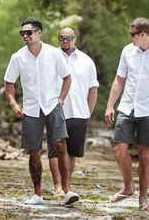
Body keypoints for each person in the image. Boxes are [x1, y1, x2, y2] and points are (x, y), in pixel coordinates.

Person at [4, 18, 78, 205]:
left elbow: (67, 78)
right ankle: (37, 194)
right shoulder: (18, 57)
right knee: (34, 151)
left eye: (28, 33)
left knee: (61, 146)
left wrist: (60, 99)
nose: (25, 36)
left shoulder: (54, 53)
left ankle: (67, 191)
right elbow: (9, 82)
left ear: (39, 33)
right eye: (22, 33)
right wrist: (13, 103)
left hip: (53, 106)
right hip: (30, 108)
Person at [105, 17, 149, 211]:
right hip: (127, 106)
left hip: (148, 109)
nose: (130, 37)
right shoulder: (127, 51)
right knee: (119, 148)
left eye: (132, 34)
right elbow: (119, 79)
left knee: (145, 154)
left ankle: (143, 197)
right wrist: (109, 105)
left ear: (143, 34)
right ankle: (128, 186)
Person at [48, 26, 99, 195]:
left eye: (69, 38)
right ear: (58, 39)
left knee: (72, 152)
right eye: (62, 38)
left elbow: (93, 88)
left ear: (75, 39)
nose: (65, 41)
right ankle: (58, 187)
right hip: (58, 111)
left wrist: (88, 112)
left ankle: (66, 186)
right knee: (56, 150)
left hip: (79, 113)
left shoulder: (87, 61)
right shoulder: (50, 57)